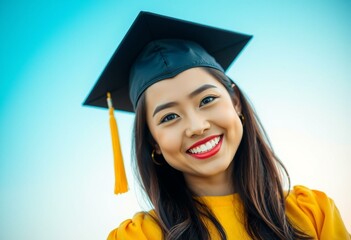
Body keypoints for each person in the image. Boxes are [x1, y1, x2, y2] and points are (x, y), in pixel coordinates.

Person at [84, 12, 350, 240]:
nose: (197, 126)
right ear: (153, 140)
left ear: (235, 102)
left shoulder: (313, 212)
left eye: (207, 100)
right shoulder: (140, 236)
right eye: (168, 117)